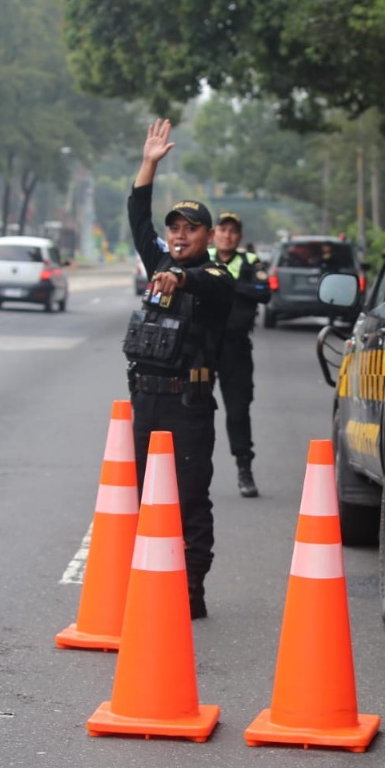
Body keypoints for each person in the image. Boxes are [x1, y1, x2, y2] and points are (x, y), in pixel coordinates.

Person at [125, 118, 234, 619]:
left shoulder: (213, 274)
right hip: (146, 400)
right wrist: (148, 163)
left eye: (190, 229)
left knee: (189, 500)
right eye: (175, 228)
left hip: (188, 406)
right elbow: (137, 219)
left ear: (208, 236)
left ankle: (191, 593)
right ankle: (148, 583)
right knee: (144, 498)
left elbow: (205, 284)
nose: (179, 234)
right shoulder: (158, 261)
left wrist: (178, 278)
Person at [210, 211, 271, 498]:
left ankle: (244, 470)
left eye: (233, 231)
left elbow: (263, 292)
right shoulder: (203, 258)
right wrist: (239, 289)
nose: (227, 235)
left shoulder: (250, 262)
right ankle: (189, 469)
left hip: (236, 349)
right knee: (193, 409)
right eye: (222, 230)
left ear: (239, 237)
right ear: (214, 234)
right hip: (204, 347)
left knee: (238, 411)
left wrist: (227, 285)